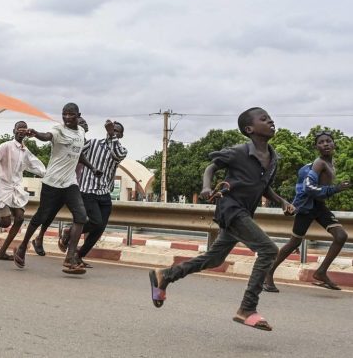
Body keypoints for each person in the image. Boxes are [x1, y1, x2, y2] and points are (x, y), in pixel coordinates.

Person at [148, 107, 294, 332]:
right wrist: (207, 187)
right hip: (231, 210)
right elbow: (211, 167)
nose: (271, 121)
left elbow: (264, 188)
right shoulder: (239, 152)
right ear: (250, 129)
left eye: (270, 117)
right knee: (268, 250)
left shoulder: (273, 158)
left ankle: (166, 275)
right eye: (264, 119)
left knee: (215, 259)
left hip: (244, 212)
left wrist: (282, 201)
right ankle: (247, 308)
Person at [12, 103, 99, 274]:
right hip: (52, 182)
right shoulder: (58, 130)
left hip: (70, 183)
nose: (67, 118)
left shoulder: (81, 132)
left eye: (71, 115)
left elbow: (79, 153)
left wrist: (92, 168)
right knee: (41, 216)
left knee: (81, 217)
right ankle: (23, 246)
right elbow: (46, 136)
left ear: (78, 115)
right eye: (64, 114)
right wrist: (35, 133)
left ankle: (70, 258)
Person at [264, 131, 351, 292]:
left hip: (319, 206)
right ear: (316, 147)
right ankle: (268, 273)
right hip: (307, 208)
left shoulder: (332, 163)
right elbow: (309, 187)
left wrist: (341, 187)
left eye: (328, 141)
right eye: (321, 142)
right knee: (294, 242)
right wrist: (336, 189)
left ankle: (321, 272)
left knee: (341, 236)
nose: (325, 144)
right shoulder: (319, 163)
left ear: (334, 144)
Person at [0, 121, 46, 260]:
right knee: (6, 222)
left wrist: (50, 176)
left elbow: (38, 166)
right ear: (14, 130)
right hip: (3, 188)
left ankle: (2, 252)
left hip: (15, 189)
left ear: (26, 132)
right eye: (19, 129)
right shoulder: (6, 146)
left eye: (24, 129)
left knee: (19, 218)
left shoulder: (25, 152)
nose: (21, 131)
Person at [57, 120, 126, 268]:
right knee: (95, 222)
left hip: (104, 192)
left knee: (99, 228)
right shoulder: (94, 143)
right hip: (88, 190)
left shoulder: (121, 150)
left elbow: (118, 155)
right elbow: (77, 152)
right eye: (113, 129)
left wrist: (111, 135)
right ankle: (69, 231)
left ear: (120, 135)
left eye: (117, 131)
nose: (114, 132)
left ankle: (78, 255)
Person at [31, 117, 88, 256]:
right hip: (58, 183)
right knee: (50, 213)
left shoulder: (84, 142)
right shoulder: (66, 139)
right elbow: (48, 137)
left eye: (84, 123)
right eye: (80, 122)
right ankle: (39, 238)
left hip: (74, 184)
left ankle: (73, 249)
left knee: (81, 216)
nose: (83, 124)